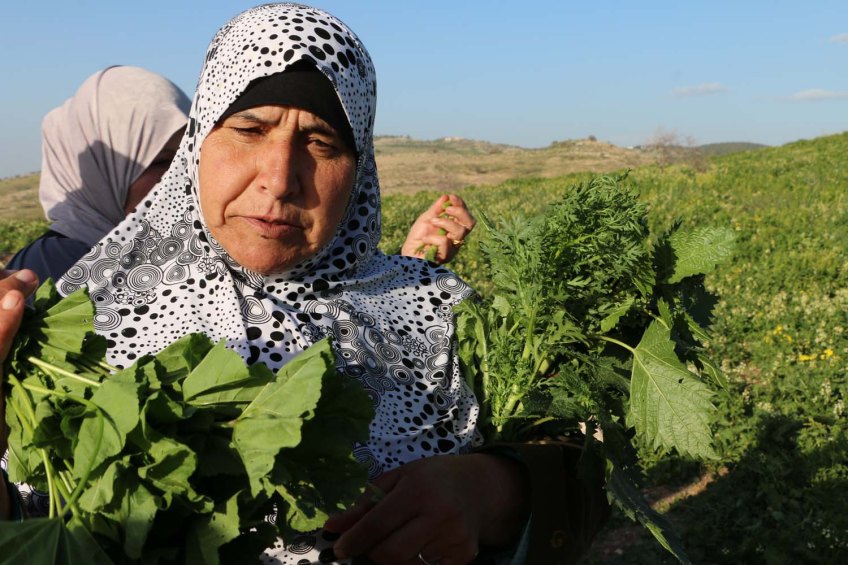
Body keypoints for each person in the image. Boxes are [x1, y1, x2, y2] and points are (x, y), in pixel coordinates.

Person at [1, 5, 608, 564]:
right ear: (198, 145)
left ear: (360, 168)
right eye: (249, 130)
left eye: (322, 142)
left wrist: (494, 490)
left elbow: (585, 465)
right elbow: (32, 528)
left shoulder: (438, 309)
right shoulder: (73, 333)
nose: (281, 178)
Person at [5, 66, 475, 284]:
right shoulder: (51, 274)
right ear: (104, 175)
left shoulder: (177, 254)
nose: (179, 180)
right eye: (159, 164)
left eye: (184, 158)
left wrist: (406, 272)